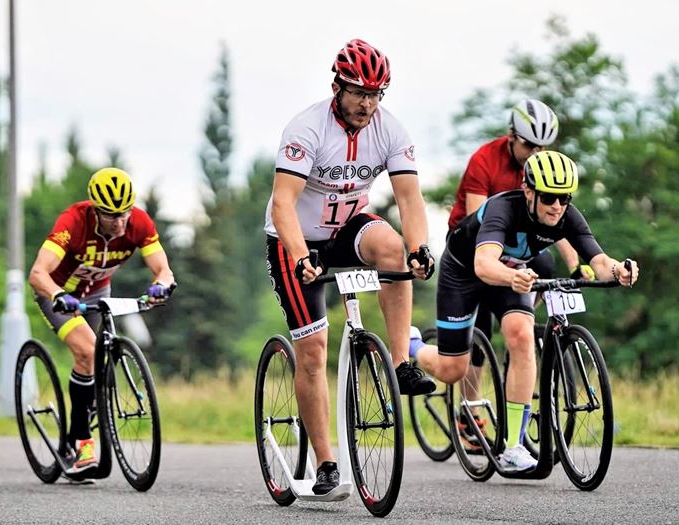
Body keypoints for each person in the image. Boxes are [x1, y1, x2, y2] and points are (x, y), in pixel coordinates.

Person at [264, 38, 436, 495]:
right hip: (296, 240)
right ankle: (325, 462)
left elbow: (409, 198)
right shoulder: (306, 129)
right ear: (337, 87)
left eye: (376, 94)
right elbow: (283, 205)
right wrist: (302, 258)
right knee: (315, 349)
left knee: (395, 251)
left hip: (346, 229)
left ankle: (401, 362)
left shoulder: (391, 130)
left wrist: (421, 248)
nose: (367, 103)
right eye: (359, 92)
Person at [412, 151, 638, 471]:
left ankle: (513, 445)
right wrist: (513, 276)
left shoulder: (567, 216)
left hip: (511, 273)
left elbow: (598, 261)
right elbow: (483, 263)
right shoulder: (504, 208)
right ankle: (413, 346)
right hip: (465, 272)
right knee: (453, 371)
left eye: (564, 198)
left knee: (520, 336)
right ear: (529, 191)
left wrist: (619, 270)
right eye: (548, 197)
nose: (557, 206)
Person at [433, 99, 585, 447]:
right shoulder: (484, 161)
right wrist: (499, 272)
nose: (535, 153)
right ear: (511, 137)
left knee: (545, 269)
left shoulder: (543, 169)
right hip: (478, 245)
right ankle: (468, 409)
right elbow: (480, 224)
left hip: (520, 246)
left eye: (542, 147)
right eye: (529, 145)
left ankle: (524, 331)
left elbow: (557, 220)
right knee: (478, 332)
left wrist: (577, 263)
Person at [28, 167, 176, 474]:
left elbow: (163, 269)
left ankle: (76, 425)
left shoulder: (139, 223)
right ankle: (83, 443)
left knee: (94, 359)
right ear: (95, 210)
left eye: (124, 213)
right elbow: (37, 274)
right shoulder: (73, 222)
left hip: (98, 292)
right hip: (59, 294)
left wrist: (161, 285)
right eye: (111, 215)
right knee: (86, 351)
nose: (120, 222)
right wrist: (57, 294)